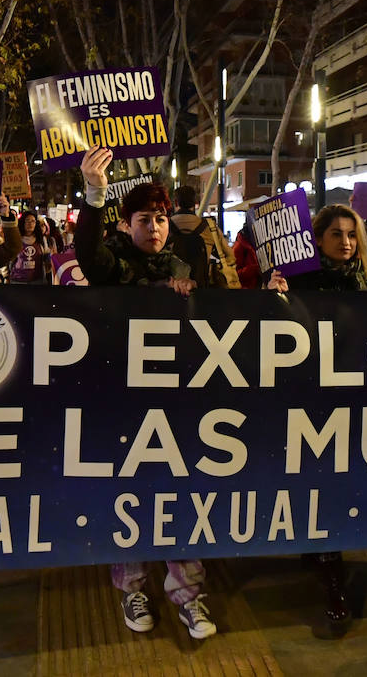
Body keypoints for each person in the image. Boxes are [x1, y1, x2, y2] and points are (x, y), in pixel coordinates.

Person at [76, 147, 216, 640]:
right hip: (126, 401)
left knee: (181, 493)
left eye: (160, 218)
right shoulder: (113, 265)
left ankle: (188, 594)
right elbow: (88, 257)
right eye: (143, 219)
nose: (154, 227)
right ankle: (132, 585)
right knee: (129, 494)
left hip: (177, 403)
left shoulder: (184, 265)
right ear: (126, 224)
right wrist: (94, 194)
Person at [267, 204, 367, 632]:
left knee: (339, 478)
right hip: (309, 396)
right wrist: (273, 294)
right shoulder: (301, 280)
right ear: (317, 238)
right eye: (335, 235)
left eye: (351, 235)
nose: (345, 243)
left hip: (352, 398)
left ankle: (330, 563)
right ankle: (327, 564)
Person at [168, 186, 240, 289]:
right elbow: (230, 257)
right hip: (201, 289)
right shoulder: (209, 227)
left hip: (171, 289)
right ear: (195, 203)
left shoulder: (165, 227)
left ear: (175, 202)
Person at [7, 211, 51, 285]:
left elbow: (47, 260)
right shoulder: (16, 239)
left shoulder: (41, 240)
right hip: (17, 281)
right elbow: (9, 260)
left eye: (33, 221)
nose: (30, 224)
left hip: (37, 282)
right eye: (27, 221)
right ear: (23, 223)